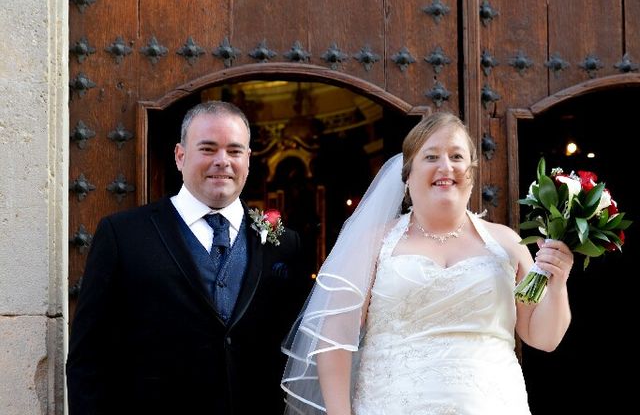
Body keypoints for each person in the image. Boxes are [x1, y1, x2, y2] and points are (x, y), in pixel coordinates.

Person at [281, 111, 573, 414]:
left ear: (471, 173)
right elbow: (335, 338)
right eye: (431, 157)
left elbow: (543, 338)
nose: (446, 166)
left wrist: (559, 283)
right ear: (407, 176)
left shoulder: (508, 244)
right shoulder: (373, 244)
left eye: (457, 156)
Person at [67, 101, 304, 415]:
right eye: (207, 149)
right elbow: (89, 357)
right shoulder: (123, 234)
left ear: (248, 159)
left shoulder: (284, 243)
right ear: (180, 156)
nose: (223, 161)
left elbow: (297, 352)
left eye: (234, 151)